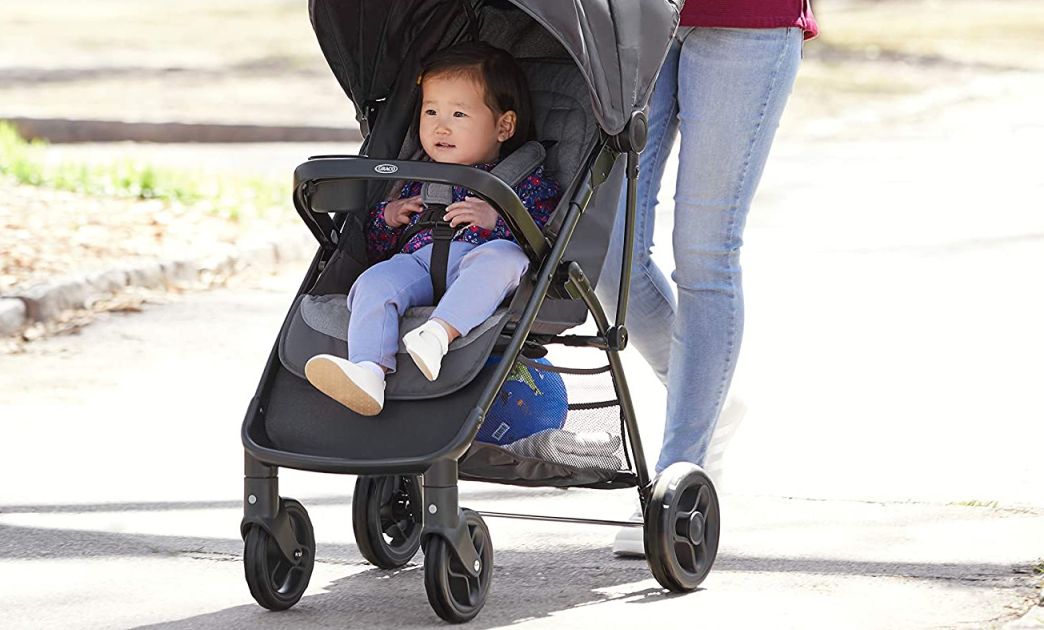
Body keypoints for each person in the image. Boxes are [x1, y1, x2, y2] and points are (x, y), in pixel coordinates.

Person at [598, 3, 819, 556]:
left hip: (747, 21)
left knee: (704, 250)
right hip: (637, 17)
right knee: (603, 252)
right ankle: (711, 401)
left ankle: (680, 470)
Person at [305, 42, 560, 417]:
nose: (441, 125)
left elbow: (545, 234)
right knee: (375, 280)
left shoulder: (523, 179)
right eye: (430, 111)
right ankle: (368, 372)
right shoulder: (414, 175)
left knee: (503, 257)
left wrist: (499, 218)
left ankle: (439, 332)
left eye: (458, 113)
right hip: (418, 265)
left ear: (504, 126)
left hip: (478, 264)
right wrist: (388, 217)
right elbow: (378, 246)